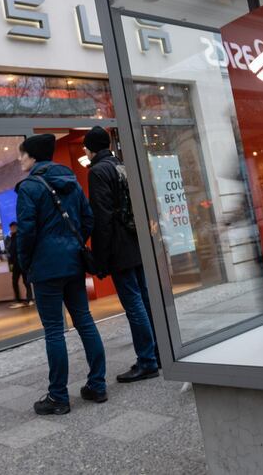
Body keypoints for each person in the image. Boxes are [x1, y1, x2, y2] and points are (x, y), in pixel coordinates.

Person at [15, 133, 107, 415]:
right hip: (73, 263)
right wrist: (73, 244)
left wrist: (25, 264)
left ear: (32, 156)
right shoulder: (70, 181)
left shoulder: (30, 187)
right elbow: (88, 218)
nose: (19, 159)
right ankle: (97, 385)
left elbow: (27, 232)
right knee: (85, 321)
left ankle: (58, 397)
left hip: (45, 268)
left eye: (22, 154)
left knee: (55, 330)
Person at [83, 126, 160, 383]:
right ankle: (157, 354)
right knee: (145, 299)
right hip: (136, 243)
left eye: (86, 147)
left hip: (119, 248)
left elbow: (102, 218)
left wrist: (100, 260)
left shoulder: (97, 172)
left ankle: (147, 360)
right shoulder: (121, 166)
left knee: (134, 305)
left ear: (92, 148)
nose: (84, 151)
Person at [7, 221, 33, 305]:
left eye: (14, 227)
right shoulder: (11, 238)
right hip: (15, 264)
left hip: (22, 262)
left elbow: (23, 248)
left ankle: (30, 299)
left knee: (26, 281)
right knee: (15, 281)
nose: (12, 229)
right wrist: (10, 263)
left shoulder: (20, 236)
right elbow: (11, 251)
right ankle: (18, 300)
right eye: (11, 228)